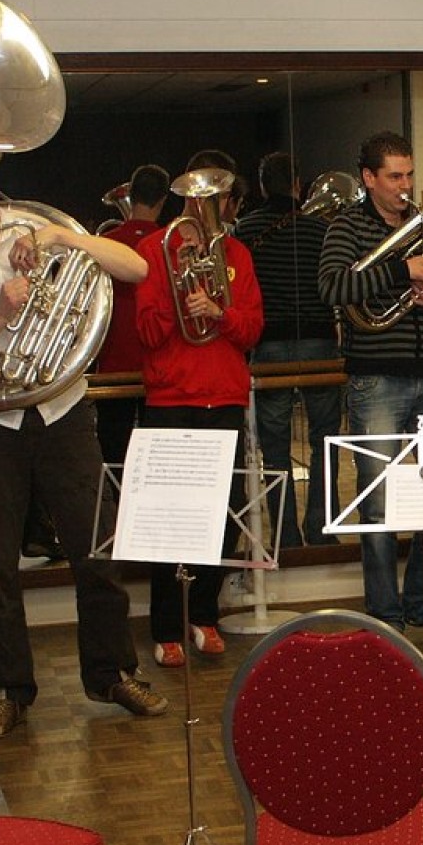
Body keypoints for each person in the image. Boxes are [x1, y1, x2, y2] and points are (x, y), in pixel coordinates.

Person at [0, 130, 168, 739]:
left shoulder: (33, 225)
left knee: (96, 551)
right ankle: (6, 692)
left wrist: (60, 238)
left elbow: (135, 267)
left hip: (62, 412)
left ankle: (113, 673)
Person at [318, 132, 423, 633]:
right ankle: (385, 611)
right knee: (377, 501)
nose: (405, 186)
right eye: (395, 176)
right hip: (376, 379)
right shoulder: (347, 227)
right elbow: (333, 286)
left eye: (409, 174)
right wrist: (403, 271)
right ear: (369, 178)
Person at [136, 150, 264, 667]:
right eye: (198, 196)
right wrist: (178, 285)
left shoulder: (238, 254)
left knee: (222, 516)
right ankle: (167, 626)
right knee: (167, 520)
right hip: (171, 400)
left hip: (224, 397)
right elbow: (147, 332)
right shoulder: (153, 249)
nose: (206, 205)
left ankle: (204, 615)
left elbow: (251, 330)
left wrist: (219, 311)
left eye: (216, 197)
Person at [234, 151, 344, 547]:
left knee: (275, 447)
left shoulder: (244, 230)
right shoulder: (321, 229)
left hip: (268, 345)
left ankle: (285, 537)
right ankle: (322, 529)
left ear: (263, 187)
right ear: (299, 184)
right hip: (319, 341)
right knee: (325, 440)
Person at [96, 164, 169, 465]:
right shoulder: (170, 242)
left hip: (113, 363)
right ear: (163, 200)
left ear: (131, 195)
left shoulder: (104, 243)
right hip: (160, 364)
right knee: (157, 457)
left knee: (114, 455)